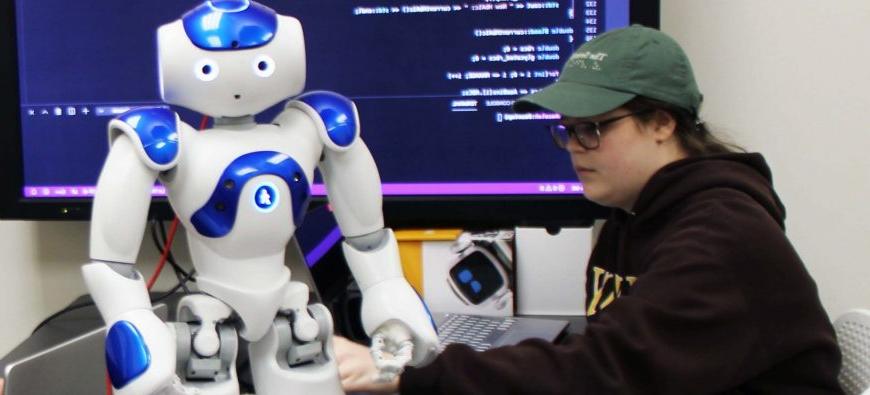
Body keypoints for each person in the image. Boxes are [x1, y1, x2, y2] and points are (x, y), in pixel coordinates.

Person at [333, 25, 844, 394]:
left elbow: (601, 371)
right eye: (568, 130)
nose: (576, 147)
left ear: (662, 123)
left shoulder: (723, 236)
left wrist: (402, 376)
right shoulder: (635, 214)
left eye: (593, 129)